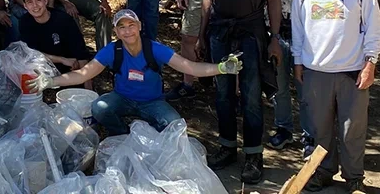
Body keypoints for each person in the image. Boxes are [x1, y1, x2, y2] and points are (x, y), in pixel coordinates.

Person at [27, 9, 242, 135]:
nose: (127, 30)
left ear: (139, 26)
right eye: (122, 27)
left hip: (153, 101)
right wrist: (51, 81)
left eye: (131, 25)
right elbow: (84, 73)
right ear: (116, 32)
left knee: (175, 126)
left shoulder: (154, 49)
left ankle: (150, 136)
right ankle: (123, 135)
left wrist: (221, 68)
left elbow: (190, 67)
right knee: (100, 108)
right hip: (122, 98)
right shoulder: (112, 51)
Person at [291, 0, 380, 193]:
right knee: (319, 128)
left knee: (352, 130)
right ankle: (323, 172)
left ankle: (354, 177)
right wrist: (298, 61)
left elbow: (374, 28)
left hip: (352, 71)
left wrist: (371, 62)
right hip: (315, 71)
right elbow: (298, 28)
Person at [200, 0, 283, 184]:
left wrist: (274, 38)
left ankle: (253, 155)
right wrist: (202, 35)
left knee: (250, 95)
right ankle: (226, 148)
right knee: (222, 92)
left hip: (251, 32)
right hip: (220, 32)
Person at [269, 0, 317, 153]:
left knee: (306, 89)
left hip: (306, 39)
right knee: (279, 87)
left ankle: (310, 136)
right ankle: (283, 129)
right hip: (277, 35)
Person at [20, 0, 92, 82]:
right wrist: (61, 59)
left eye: (38, 0)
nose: (35, 5)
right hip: (41, 67)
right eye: (30, 2)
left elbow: (81, 54)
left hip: (68, 69)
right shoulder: (25, 22)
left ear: (45, 1)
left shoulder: (63, 20)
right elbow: (31, 53)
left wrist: (88, 90)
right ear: (25, 6)